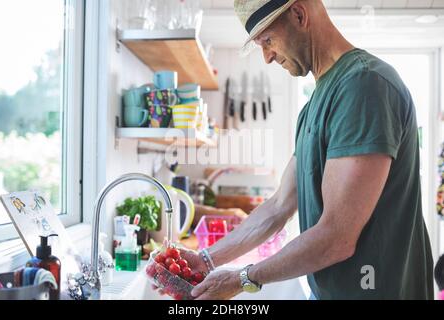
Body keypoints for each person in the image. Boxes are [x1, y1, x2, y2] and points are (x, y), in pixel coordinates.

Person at [176, 0, 434, 300]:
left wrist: (242, 278)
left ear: (299, 14)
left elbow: (337, 237)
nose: (268, 57)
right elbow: (279, 206)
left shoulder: (364, 86)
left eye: (268, 40)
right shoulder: (313, 107)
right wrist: (206, 259)